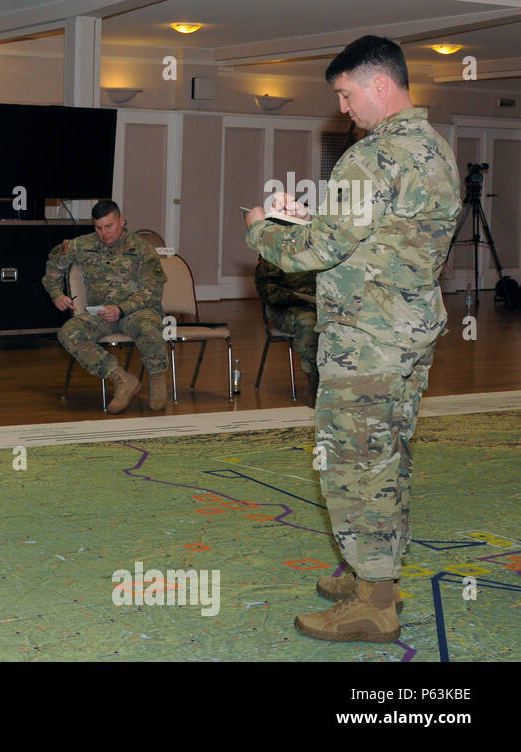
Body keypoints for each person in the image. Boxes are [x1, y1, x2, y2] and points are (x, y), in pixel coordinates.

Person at [245, 35, 460, 643]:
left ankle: (374, 605)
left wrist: (262, 230)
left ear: (379, 86)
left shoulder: (369, 158)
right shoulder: (435, 149)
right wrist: (310, 216)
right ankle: (375, 573)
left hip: (366, 341)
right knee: (389, 456)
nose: (343, 108)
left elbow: (316, 252)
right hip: (409, 331)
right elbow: (378, 236)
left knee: (354, 466)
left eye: (346, 93)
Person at [43, 201, 168, 413]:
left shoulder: (141, 248)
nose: (104, 233)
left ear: (121, 221)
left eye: (109, 226)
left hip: (137, 311)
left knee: (148, 328)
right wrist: (57, 295)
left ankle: (156, 378)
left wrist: (121, 309)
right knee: (69, 333)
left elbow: (153, 291)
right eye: (98, 228)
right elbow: (53, 264)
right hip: (100, 313)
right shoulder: (81, 245)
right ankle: (121, 379)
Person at [255, 257, 320, 406]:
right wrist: (303, 297)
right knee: (309, 322)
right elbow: (269, 292)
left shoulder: (321, 247)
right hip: (287, 309)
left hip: (322, 306)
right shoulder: (275, 251)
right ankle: (314, 385)